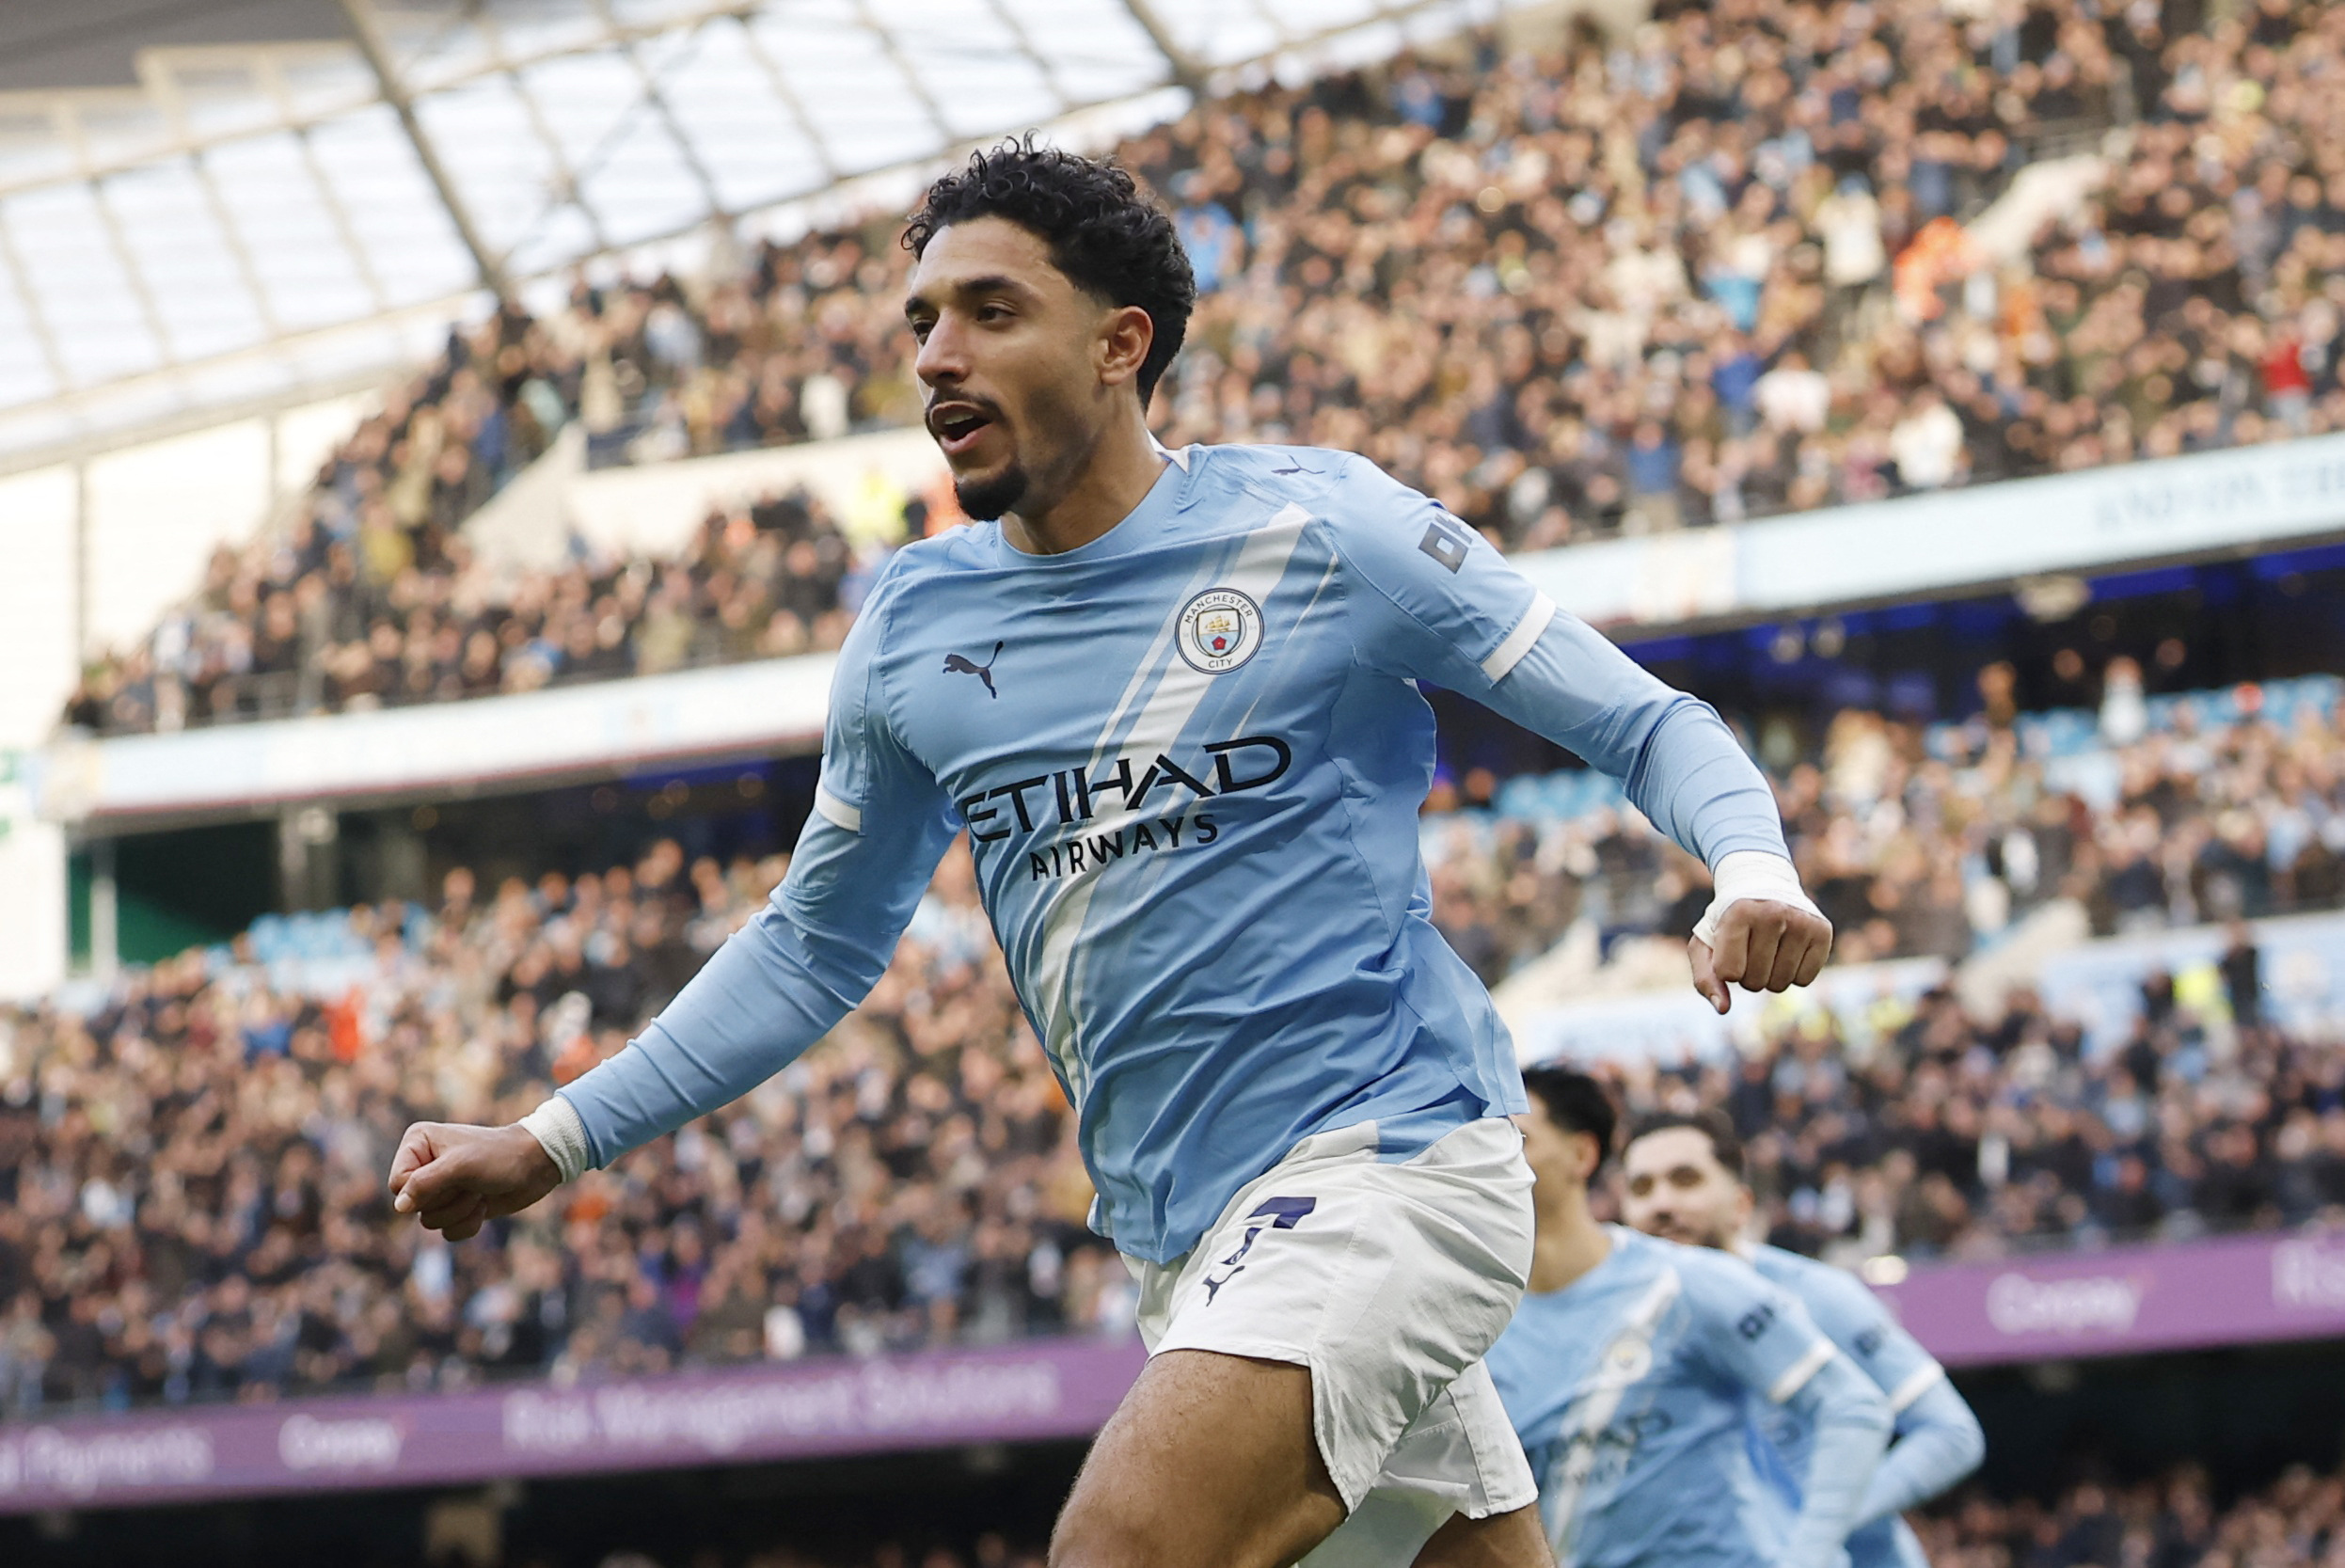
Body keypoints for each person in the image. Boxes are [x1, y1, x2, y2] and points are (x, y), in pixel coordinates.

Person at [385, 141, 1833, 1568]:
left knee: (1121, 1547)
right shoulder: (914, 627)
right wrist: (554, 1136)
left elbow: (1644, 719)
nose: (937, 357)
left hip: (1391, 1163)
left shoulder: (1320, 528)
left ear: (1119, 344)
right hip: (1187, 1237)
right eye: (923, 321)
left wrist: (1752, 866)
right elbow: (814, 943)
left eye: (991, 311)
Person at [1487, 1068, 1888, 1568]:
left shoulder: (1686, 1282)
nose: (1485, 1157)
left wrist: (1810, 1554)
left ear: (1582, 1155)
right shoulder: (1477, 1330)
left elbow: (1853, 1407)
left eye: (1514, 1137)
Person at [1620, 1112, 1984, 1568]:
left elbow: (1951, 1433)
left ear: (1741, 1204)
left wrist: (1816, 1529)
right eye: (1641, 1188)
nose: (1661, 1203)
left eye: (1685, 1180)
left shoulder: (1816, 1294)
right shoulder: (1617, 1328)